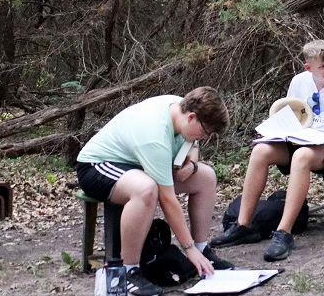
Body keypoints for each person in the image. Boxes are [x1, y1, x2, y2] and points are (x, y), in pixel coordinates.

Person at [210, 39, 324, 261]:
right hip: (302, 136)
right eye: (323, 66)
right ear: (309, 68)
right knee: (260, 151)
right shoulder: (299, 82)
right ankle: (243, 225)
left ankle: (284, 232)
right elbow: (293, 115)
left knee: (302, 157)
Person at [76, 86, 233, 296]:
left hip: (138, 164)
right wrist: (188, 249)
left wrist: (191, 165)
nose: (203, 138)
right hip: (98, 166)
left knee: (205, 177)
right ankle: (128, 271)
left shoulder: (182, 106)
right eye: (204, 132)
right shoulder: (155, 134)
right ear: (192, 117)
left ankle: (203, 249)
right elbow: (167, 200)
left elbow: (192, 144)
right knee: (146, 189)